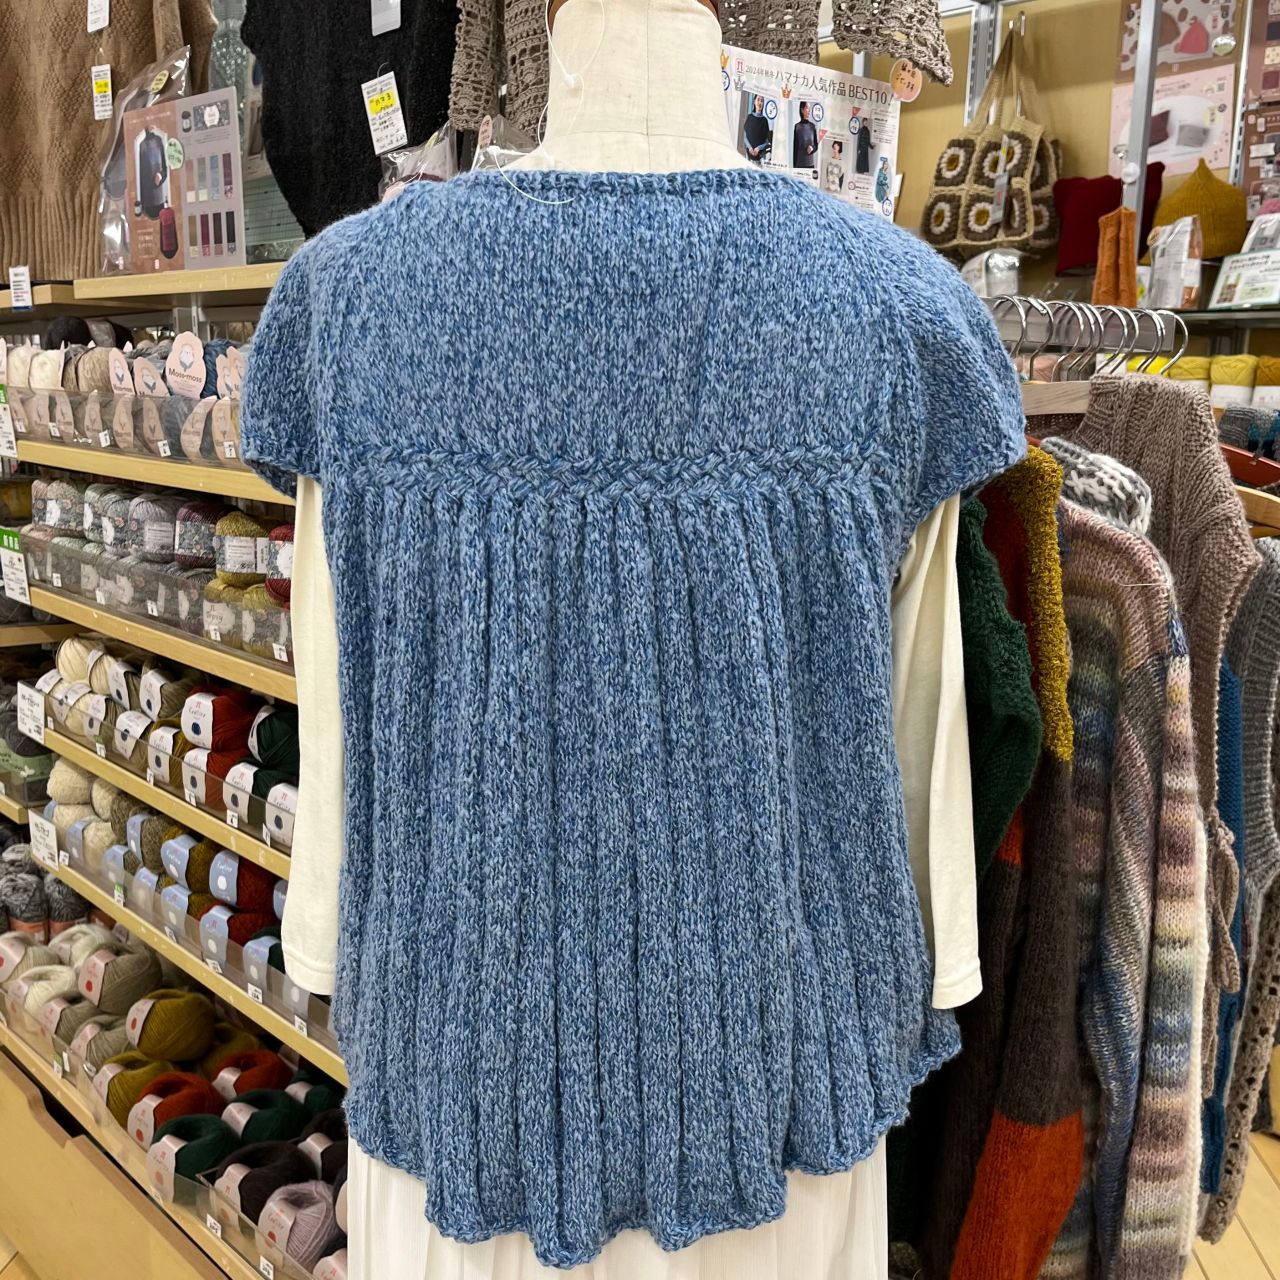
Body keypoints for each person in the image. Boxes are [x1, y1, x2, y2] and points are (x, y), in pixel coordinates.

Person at [743, 94, 773, 163]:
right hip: (748, 155)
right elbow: (745, 137)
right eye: (758, 100)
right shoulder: (749, 117)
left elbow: (766, 141)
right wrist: (750, 148)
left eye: (762, 101)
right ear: (754, 101)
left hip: (760, 156)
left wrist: (759, 148)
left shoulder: (765, 120)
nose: (760, 102)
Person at [793, 100, 818, 168]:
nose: (809, 110)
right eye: (807, 107)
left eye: (810, 108)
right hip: (799, 165)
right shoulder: (797, 127)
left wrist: (812, 148)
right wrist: (793, 167)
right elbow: (795, 148)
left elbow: (816, 145)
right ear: (802, 110)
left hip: (810, 165)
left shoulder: (812, 126)